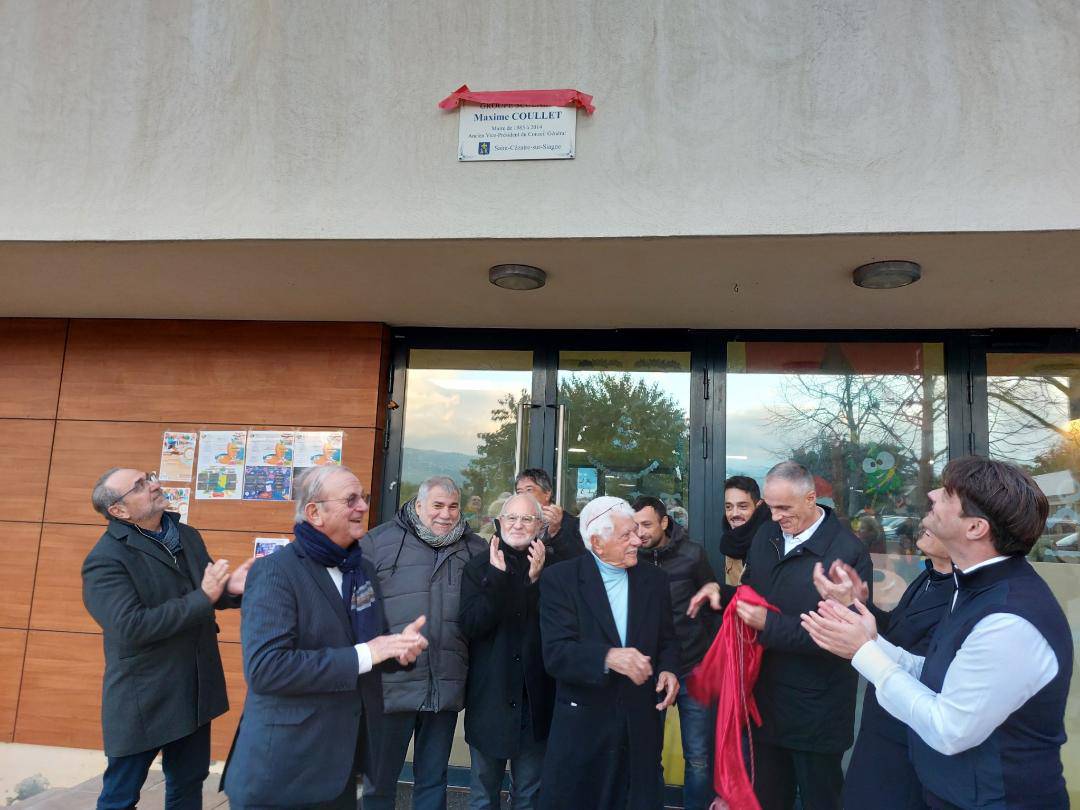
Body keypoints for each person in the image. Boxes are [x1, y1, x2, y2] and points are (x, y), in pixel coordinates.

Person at [802, 456, 1074, 810]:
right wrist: (873, 642)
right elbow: (938, 674)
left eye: (947, 494)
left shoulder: (1009, 619)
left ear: (975, 528)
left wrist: (863, 653)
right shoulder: (975, 588)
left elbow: (950, 730)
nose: (931, 493)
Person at [221, 466, 428, 810]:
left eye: (363, 497)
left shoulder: (361, 569)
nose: (362, 506)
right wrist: (369, 653)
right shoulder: (276, 572)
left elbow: (370, 644)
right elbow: (267, 669)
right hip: (285, 771)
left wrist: (397, 651)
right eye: (351, 499)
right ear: (314, 512)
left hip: (340, 765)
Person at [688, 461, 872, 810]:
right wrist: (721, 594)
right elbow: (754, 595)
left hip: (817, 712)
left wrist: (768, 626)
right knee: (768, 800)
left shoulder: (847, 551)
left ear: (811, 498)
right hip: (765, 705)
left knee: (821, 800)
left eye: (784, 508)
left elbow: (845, 637)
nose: (775, 517)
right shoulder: (766, 536)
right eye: (770, 507)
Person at [82, 468, 251, 810]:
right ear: (119, 510)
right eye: (141, 485)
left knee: (188, 782)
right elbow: (131, 626)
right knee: (121, 794)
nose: (155, 485)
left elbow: (207, 593)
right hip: (145, 696)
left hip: (195, 687)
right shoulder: (105, 561)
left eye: (150, 476)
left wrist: (232, 590)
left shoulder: (186, 535)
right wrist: (204, 596)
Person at [538, 496, 681, 810]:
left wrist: (669, 669)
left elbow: (668, 639)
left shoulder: (654, 579)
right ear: (597, 543)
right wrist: (608, 657)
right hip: (585, 727)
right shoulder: (560, 580)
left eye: (636, 532)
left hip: (639, 722)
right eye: (626, 536)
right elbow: (556, 653)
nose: (637, 540)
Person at [359, 476, 487, 810]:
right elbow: (357, 609)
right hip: (391, 685)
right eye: (438, 505)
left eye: (453, 506)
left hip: (445, 685)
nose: (446, 514)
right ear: (418, 505)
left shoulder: (475, 549)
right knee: (379, 782)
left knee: (433, 782)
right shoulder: (378, 542)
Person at [812, 527, 955, 810]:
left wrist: (860, 647)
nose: (926, 520)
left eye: (939, 514)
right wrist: (856, 605)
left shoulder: (960, 596)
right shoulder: (929, 577)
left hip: (907, 739)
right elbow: (896, 634)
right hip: (880, 728)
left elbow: (926, 671)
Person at [460, 493, 552, 810]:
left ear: (540, 525)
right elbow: (472, 625)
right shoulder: (478, 566)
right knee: (483, 796)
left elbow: (555, 630)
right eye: (511, 517)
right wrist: (497, 580)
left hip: (535, 702)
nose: (518, 525)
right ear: (499, 523)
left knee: (529, 795)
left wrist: (536, 580)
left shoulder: (555, 567)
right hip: (490, 699)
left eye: (527, 519)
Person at [632, 495, 718, 810]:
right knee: (646, 753)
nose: (639, 533)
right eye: (635, 525)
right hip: (650, 670)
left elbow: (711, 600)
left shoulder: (693, 554)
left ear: (665, 522)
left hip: (693, 666)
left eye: (647, 524)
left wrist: (705, 651)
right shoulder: (631, 557)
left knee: (698, 757)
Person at [514, 468, 584, 563]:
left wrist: (556, 533)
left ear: (547, 494)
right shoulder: (515, 524)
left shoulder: (573, 525)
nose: (523, 496)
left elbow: (580, 562)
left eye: (529, 490)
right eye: (519, 492)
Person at [719, 475, 772, 585]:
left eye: (743, 506)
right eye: (729, 507)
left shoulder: (773, 541)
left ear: (758, 505)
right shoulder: (731, 541)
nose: (734, 514)